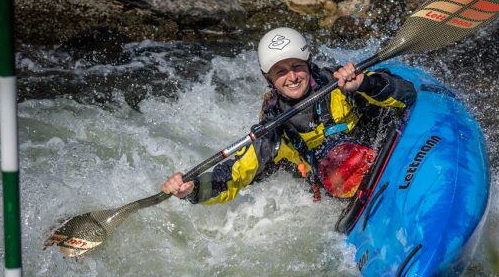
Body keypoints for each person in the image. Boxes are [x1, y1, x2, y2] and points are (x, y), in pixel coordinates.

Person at [161, 27, 416, 205]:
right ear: (267, 78)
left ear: (307, 63)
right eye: (280, 71)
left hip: (386, 157)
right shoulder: (273, 130)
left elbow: (405, 95)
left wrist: (363, 86)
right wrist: (193, 190)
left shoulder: (339, 85)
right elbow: (233, 174)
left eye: (296, 66)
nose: (292, 77)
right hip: (343, 190)